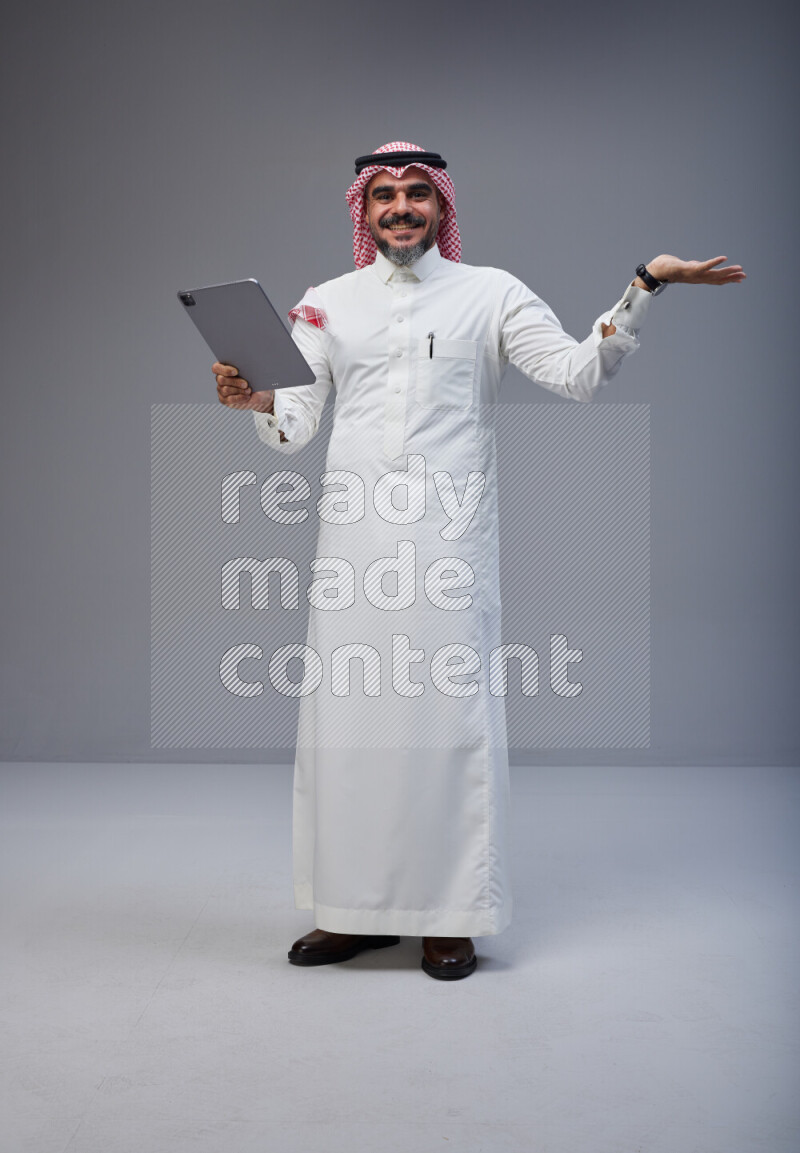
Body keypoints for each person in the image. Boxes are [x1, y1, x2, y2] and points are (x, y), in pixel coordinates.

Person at [214, 141, 745, 981]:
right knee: (348, 730)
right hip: (352, 548)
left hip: (448, 546)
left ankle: (448, 916)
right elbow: (296, 424)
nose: (399, 208)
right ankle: (354, 911)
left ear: (441, 206)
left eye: (416, 194)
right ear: (363, 209)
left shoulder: (489, 293)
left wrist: (646, 285)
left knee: (446, 727)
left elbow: (576, 373)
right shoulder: (325, 303)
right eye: (383, 194)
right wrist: (259, 398)